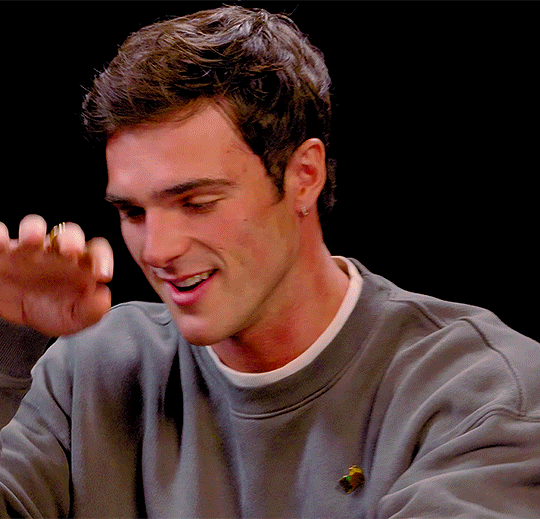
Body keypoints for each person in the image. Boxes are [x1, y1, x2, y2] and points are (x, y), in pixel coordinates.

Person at [0, 5, 539, 518]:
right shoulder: (90, 370)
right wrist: (7, 344)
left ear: (304, 176)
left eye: (197, 202)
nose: (157, 250)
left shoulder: (484, 392)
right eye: (133, 212)